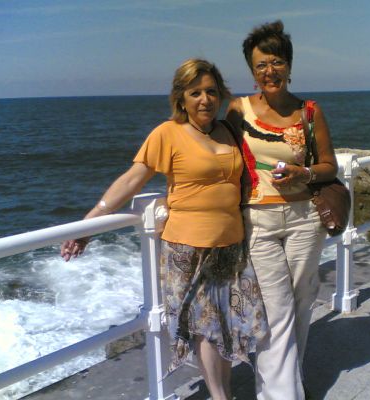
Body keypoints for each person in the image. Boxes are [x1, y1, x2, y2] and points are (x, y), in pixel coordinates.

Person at [60, 58, 268, 400]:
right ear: (181, 98)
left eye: (211, 91)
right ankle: (221, 397)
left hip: (231, 246)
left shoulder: (228, 130)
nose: (205, 99)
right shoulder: (167, 133)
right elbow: (132, 180)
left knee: (225, 328)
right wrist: (89, 223)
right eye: (195, 93)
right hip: (188, 249)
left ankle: (225, 393)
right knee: (204, 329)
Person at [226, 21, 337, 400]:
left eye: (276, 62)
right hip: (259, 220)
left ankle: (290, 381)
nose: (269, 71)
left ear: (289, 65)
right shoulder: (238, 110)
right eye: (260, 65)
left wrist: (303, 173)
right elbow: (218, 158)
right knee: (276, 308)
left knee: (302, 300)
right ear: (252, 71)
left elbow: (329, 166)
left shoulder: (309, 111)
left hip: (306, 218)